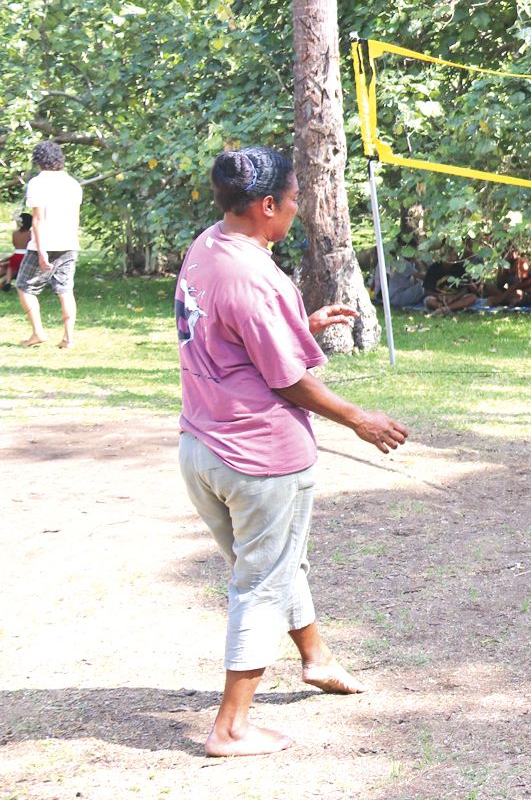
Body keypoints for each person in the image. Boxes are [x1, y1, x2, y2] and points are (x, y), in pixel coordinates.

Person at [176, 146, 410, 757]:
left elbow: (234, 338)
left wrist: (296, 324)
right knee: (262, 582)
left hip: (203, 447)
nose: (299, 211)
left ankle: (315, 657)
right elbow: (285, 379)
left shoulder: (209, 247)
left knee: (273, 565)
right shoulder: (254, 274)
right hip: (258, 459)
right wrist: (359, 418)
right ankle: (231, 728)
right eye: (296, 200)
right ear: (267, 204)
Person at [16, 141, 83, 349]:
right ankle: (69, 338)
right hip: (69, 243)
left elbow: (38, 220)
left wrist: (42, 251)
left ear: (38, 160)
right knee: (65, 289)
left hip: (44, 244)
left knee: (24, 286)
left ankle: (37, 332)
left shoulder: (38, 183)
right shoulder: (73, 183)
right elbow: (75, 218)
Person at [4, 213, 29, 291]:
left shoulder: (15, 233)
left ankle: (8, 282)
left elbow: (14, 244)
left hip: (16, 254)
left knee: (10, 268)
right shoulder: (30, 233)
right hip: (27, 255)